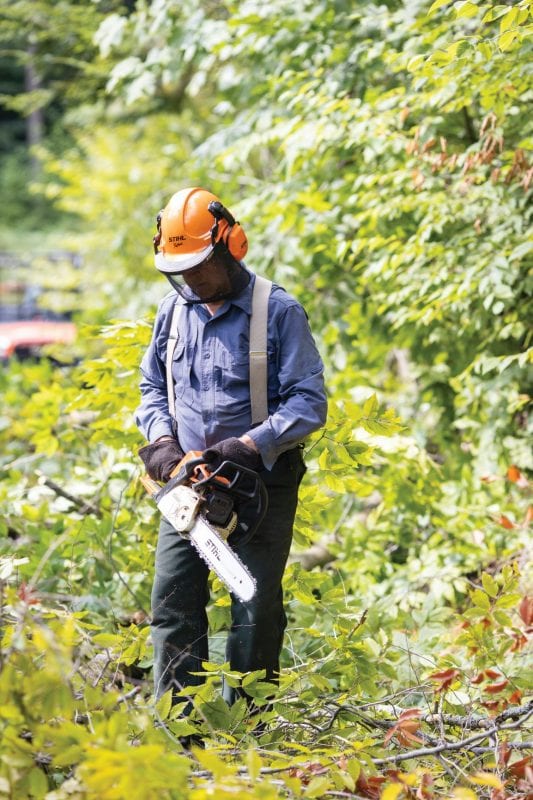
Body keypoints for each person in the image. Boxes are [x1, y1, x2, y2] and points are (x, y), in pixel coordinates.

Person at [135, 187, 327, 711]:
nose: (190, 278)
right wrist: (161, 442)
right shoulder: (172, 312)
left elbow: (309, 401)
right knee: (173, 602)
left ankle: (246, 728)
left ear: (230, 246)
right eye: (180, 269)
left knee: (255, 603)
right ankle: (181, 728)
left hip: (259, 479)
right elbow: (152, 387)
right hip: (187, 482)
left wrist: (247, 446)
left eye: (199, 265)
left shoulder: (278, 311)